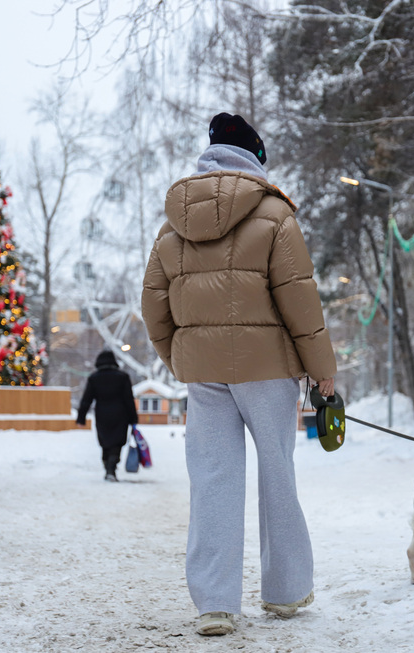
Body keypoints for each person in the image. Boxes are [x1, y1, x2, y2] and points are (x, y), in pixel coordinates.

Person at [141, 112, 337, 636]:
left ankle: (215, 604)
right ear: (254, 158)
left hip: (203, 375)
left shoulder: (173, 223)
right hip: (268, 371)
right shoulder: (274, 214)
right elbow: (300, 300)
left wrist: (182, 357)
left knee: (213, 481)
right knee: (278, 475)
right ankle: (287, 592)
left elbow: (154, 308)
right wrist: (322, 372)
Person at [76, 349, 139, 482]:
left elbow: (87, 399)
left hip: (102, 414)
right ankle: (111, 468)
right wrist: (133, 418)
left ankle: (108, 467)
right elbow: (129, 399)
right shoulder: (122, 377)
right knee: (117, 443)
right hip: (120, 415)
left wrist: (81, 417)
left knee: (105, 442)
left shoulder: (94, 378)